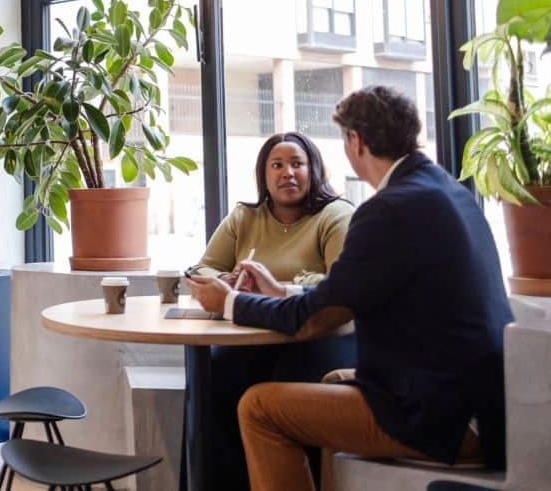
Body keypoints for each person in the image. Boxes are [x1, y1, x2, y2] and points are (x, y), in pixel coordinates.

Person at [188, 86, 514, 491]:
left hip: (445, 418)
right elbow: (342, 297)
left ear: (355, 141)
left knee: (257, 407)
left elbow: (315, 320)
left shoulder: (389, 209)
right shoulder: (445, 192)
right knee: (332, 381)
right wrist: (280, 293)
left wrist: (231, 302)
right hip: (485, 404)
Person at [188, 131, 355, 491]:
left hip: (318, 334)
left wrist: (280, 284)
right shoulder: (245, 217)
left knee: (282, 380)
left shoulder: (335, 214)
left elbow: (340, 286)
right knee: (213, 377)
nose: (287, 173)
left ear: (314, 170)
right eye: (276, 165)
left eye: (297, 164)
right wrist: (229, 280)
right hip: (256, 335)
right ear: (263, 176)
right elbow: (203, 268)